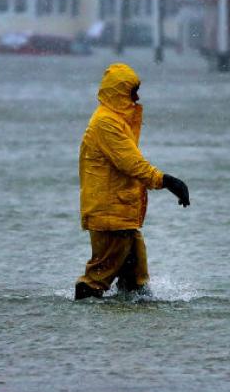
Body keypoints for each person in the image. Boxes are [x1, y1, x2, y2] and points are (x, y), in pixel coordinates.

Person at [75, 63, 189, 301]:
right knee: (96, 280)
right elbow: (132, 163)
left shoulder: (115, 120)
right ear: (118, 92)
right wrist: (167, 181)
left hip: (120, 215)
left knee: (136, 282)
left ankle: (131, 328)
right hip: (110, 217)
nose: (136, 97)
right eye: (132, 91)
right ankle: (85, 327)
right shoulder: (106, 124)